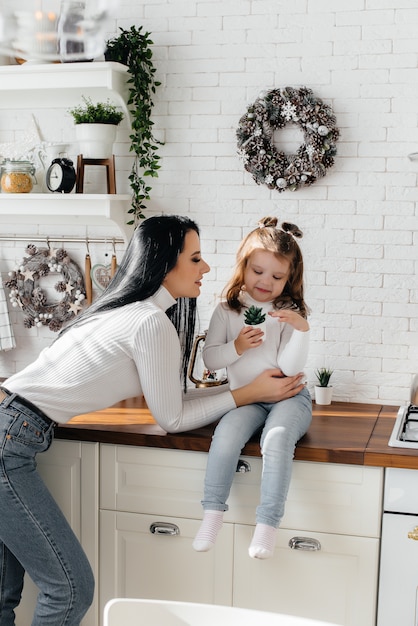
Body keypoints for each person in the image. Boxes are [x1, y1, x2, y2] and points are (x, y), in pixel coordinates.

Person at [0, 214, 305, 625]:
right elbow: (173, 418)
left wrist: (249, 392)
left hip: (12, 425)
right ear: (166, 263)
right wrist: (248, 393)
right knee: (70, 590)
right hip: (10, 438)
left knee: (4, 593)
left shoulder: (124, 310)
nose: (207, 268)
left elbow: (173, 401)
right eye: (196, 258)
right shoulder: (149, 322)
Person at [193, 216, 312, 560]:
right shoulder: (227, 311)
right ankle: (212, 515)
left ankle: (267, 525)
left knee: (275, 440)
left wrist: (302, 330)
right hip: (248, 399)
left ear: (289, 279)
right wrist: (238, 347)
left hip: (289, 397)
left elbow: (290, 369)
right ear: (243, 266)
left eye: (277, 277)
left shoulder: (287, 312)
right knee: (226, 436)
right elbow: (212, 360)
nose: (266, 282)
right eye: (258, 271)